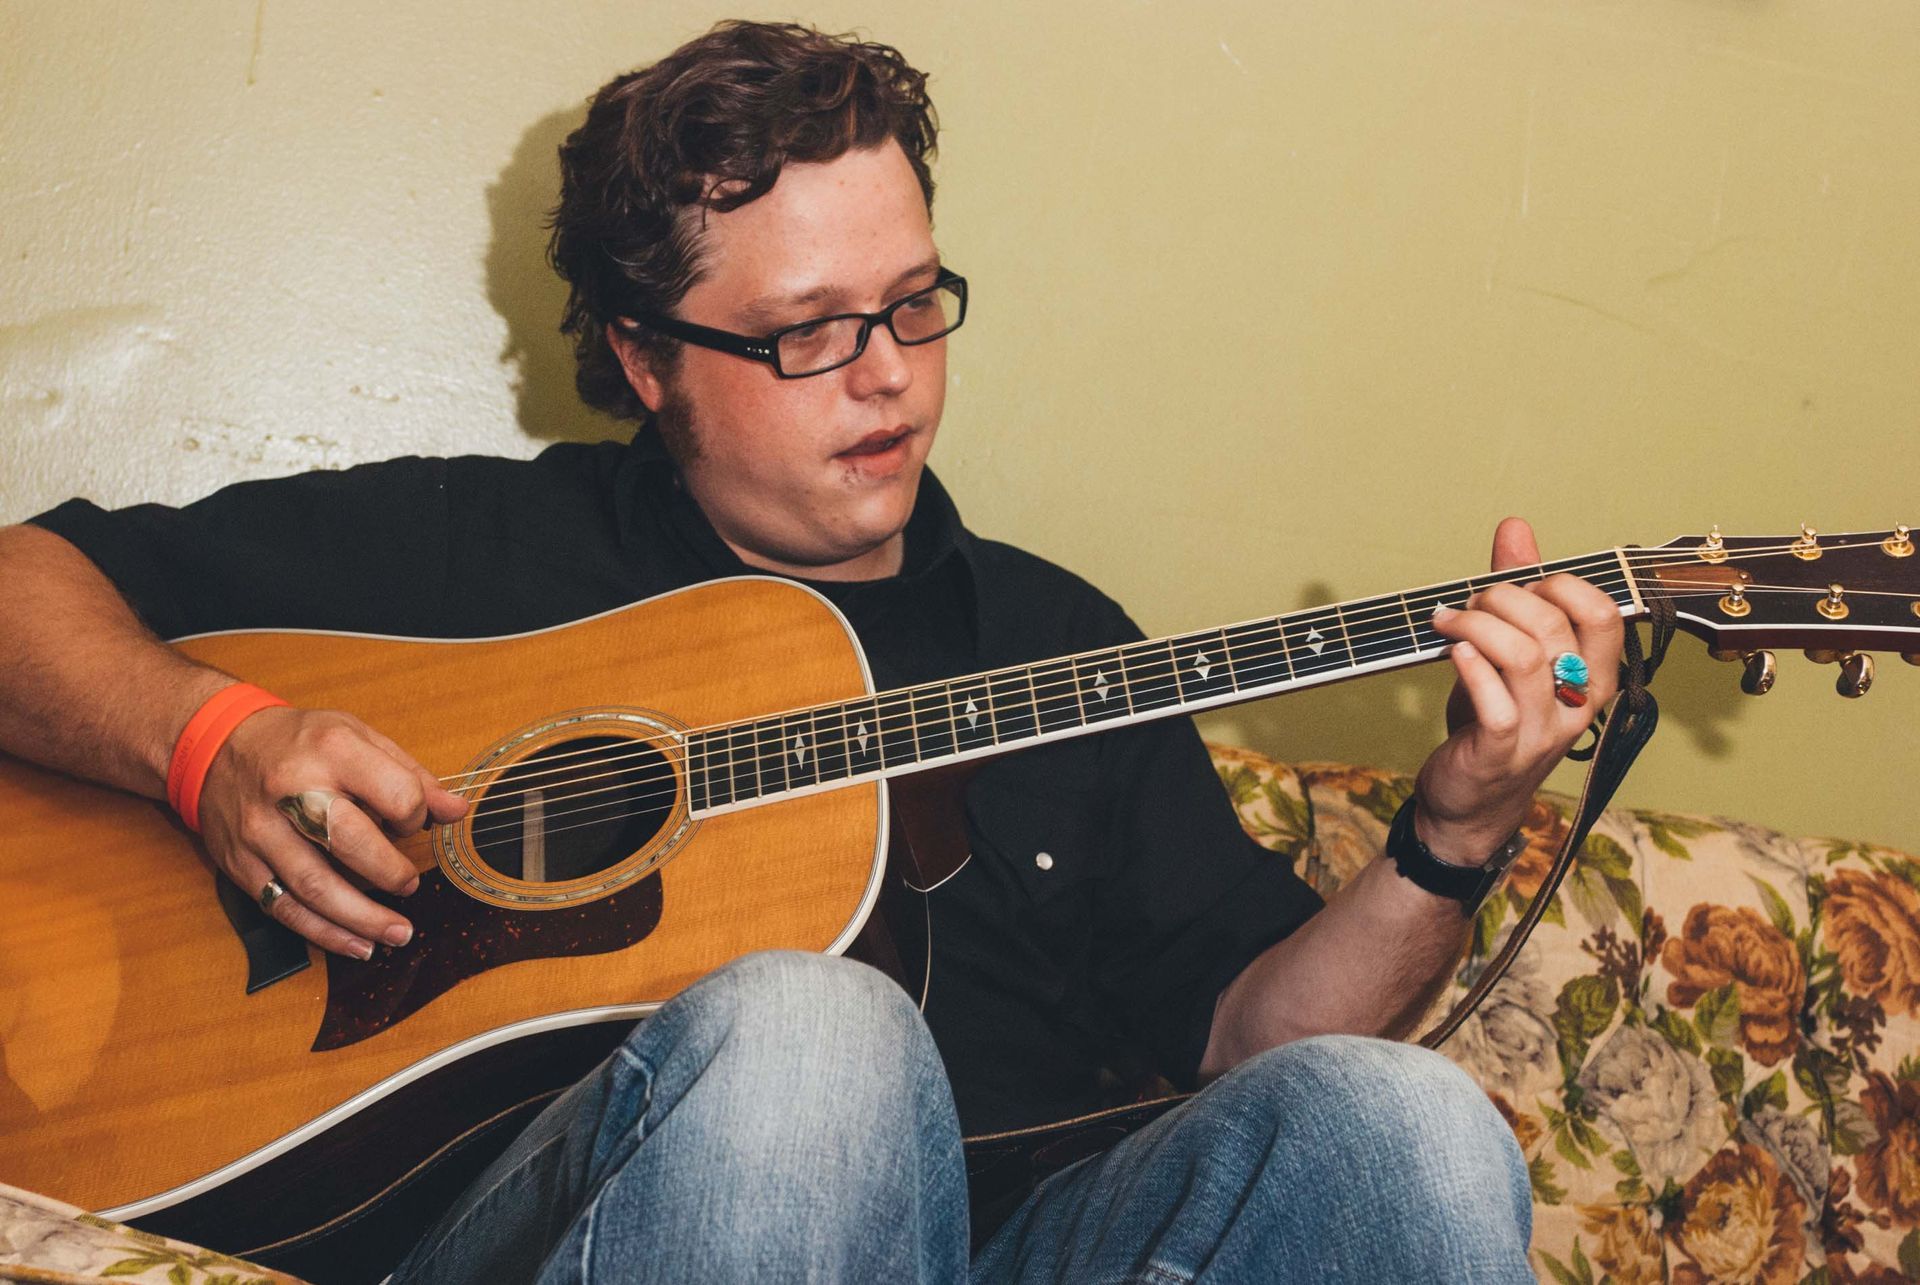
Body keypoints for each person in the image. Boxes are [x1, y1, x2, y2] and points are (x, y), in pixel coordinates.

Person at [0, 20, 1624, 1283]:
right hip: (563, 1224)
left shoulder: (1058, 643)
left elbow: (1254, 1042)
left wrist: (1461, 822)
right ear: (643, 359)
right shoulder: (471, 549)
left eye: (917, 304)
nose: (888, 377)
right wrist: (205, 743)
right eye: (807, 331)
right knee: (815, 1040)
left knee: (1405, 1128)